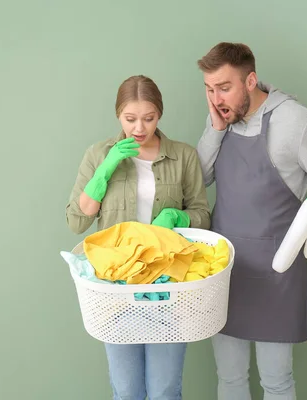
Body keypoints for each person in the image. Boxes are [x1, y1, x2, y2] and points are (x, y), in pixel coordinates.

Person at [195, 42, 307, 399]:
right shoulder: (221, 119)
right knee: (229, 378)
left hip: (278, 268)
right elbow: (197, 180)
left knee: (276, 380)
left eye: (225, 87)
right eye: (209, 89)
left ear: (251, 81)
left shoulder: (297, 121)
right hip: (225, 266)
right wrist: (215, 128)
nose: (217, 98)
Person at [66, 74, 210, 400]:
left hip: (168, 289)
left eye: (149, 118)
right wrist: (106, 168)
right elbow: (77, 220)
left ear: (160, 114)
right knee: (127, 391)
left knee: (164, 391)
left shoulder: (183, 156)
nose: (139, 128)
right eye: (130, 119)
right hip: (116, 290)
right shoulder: (97, 153)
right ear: (119, 115)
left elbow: (203, 216)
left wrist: (177, 217)